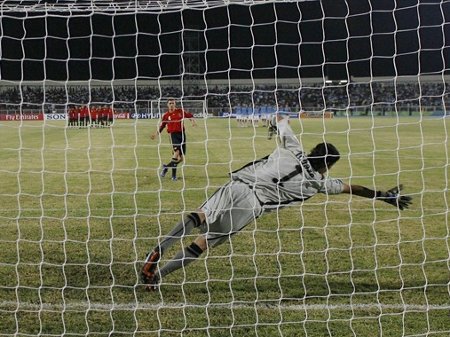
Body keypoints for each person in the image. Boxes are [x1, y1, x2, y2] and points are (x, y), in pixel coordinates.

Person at [141, 114, 412, 290]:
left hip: (239, 184)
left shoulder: (292, 148)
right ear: (327, 165)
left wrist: (277, 124)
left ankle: (159, 249)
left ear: (314, 150)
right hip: (253, 205)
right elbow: (353, 188)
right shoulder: (318, 183)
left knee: (200, 214)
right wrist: (384, 195)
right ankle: (159, 277)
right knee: (206, 242)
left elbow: (282, 119)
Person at [151, 99, 197, 181]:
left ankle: (166, 167)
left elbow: (189, 115)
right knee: (176, 153)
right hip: (173, 135)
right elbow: (162, 126)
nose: (171, 104)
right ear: (167, 105)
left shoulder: (180, 111)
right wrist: (156, 134)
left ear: (175, 104)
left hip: (182, 135)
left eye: (173, 103)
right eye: (170, 103)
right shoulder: (166, 115)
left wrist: (192, 121)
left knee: (181, 159)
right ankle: (173, 176)